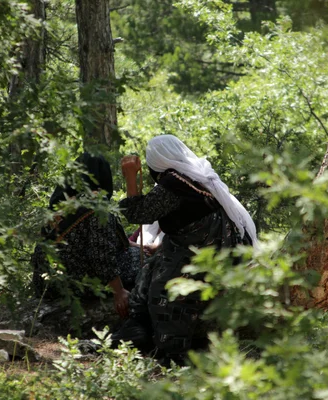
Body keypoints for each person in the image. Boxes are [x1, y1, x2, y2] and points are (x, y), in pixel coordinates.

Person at [113, 135, 257, 364]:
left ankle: (172, 353)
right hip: (204, 245)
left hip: (202, 249)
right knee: (149, 271)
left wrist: (130, 177)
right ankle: (137, 328)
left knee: (166, 291)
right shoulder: (192, 175)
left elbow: (139, 214)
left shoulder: (174, 183)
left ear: (157, 161)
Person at [31, 152, 140, 318]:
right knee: (138, 259)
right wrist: (118, 291)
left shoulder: (61, 202)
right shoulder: (97, 209)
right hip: (74, 282)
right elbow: (100, 255)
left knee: (133, 250)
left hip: (44, 284)